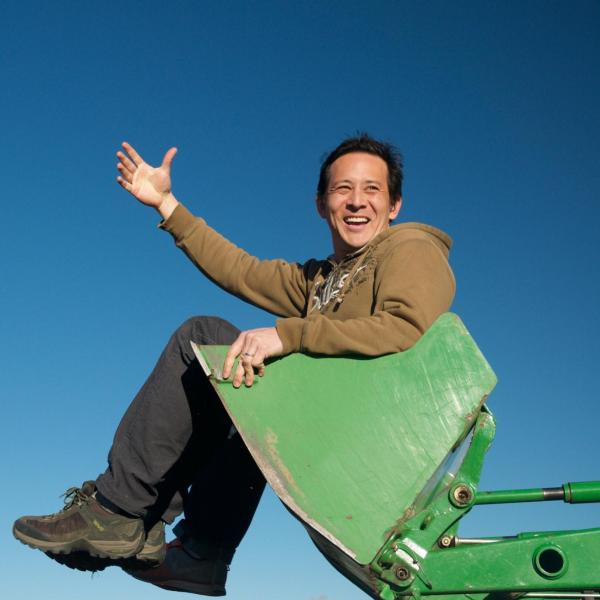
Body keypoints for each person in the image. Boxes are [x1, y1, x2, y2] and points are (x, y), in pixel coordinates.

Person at [13, 134, 455, 595]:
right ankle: (200, 550)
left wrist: (288, 334)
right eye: (343, 189)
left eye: (372, 190)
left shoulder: (409, 248)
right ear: (322, 204)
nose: (356, 202)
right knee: (237, 371)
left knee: (202, 337)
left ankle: (119, 511)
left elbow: (406, 329)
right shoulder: (319, 281)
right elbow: (240, 269)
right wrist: (166, 204)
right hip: (323, 426)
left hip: (383, 437)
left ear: (395, 204)